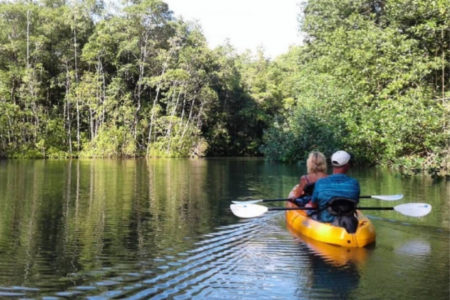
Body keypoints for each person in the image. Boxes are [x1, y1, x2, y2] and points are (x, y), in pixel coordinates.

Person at [310, 150, 360, 226]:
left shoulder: (320, 182)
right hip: (347, 222)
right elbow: (355, 202)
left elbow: (313, 205)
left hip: (326, 221)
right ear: (347, 165)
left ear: (332, 164)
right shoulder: (354, 183)